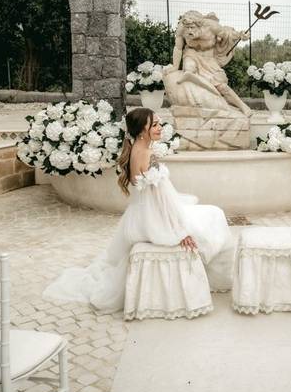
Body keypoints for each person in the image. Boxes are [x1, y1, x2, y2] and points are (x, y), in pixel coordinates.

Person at [43, 107, 232, 311]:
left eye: (159, 123)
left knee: (205, 212)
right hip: (154, 220)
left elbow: (156, 194)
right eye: (155, 125)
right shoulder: (147, 155)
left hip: (141, 215)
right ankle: (214, 281)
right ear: (143, 130)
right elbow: (162, 199)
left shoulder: (135, 150)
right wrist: (181, 231)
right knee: (214, 214)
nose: (160, 128)